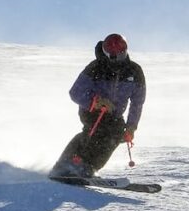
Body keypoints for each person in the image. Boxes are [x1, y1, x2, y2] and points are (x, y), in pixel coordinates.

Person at [50, 33, 146, 178]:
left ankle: (89, 167)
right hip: (91, 110)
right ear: (106, 53)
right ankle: (64, 165)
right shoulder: (95, 67)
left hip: (114, 114)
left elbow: (137, 102)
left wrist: (132, 126)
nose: (115, 60)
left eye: (119, 55)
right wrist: (96, 102)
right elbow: (75, 92)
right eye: (112, 56)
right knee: (98, 131)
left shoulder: (135, 71)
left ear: (125, 51)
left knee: (117, 134)